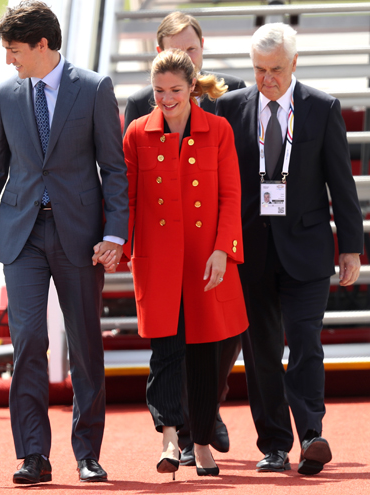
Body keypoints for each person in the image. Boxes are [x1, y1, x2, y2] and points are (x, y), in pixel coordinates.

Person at [0, 0, 128, 485]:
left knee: (84, 343)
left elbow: (113, 169)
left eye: (14, 50)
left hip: (81, 236)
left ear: (42, 44)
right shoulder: (6, 92)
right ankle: (33, 453)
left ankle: (87, 452)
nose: (8, 59)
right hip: (23, 235)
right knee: (28, 340)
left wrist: (115, 233)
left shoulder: (93, 89)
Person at [216, 23, 363, 475]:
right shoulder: (229, 108)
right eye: (259, 70)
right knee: (261, 352)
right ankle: (275, 445)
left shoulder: (321, 108)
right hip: (252, 249)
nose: (267, 80)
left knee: (304, 342)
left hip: (308, 247)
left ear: (294, 63)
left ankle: (312, 435)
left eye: (276, 70)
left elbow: (341, 182)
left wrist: (351, 247)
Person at [123, 12, 245, 465]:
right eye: (159, 92)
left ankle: (201, 438)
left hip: (205, 257)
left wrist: (223, 250)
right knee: (167, 350)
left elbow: (232, 195)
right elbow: (129, 197)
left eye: (175, 90)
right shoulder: (137, 132)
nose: (166, 99)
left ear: (192, 87)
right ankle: (170, 438)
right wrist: (127, 247)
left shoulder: (220, 130)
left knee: (206, 352)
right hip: (158, 260)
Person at [124, 11, 246, 134]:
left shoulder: (234, 90)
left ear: (202, 45)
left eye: (191, 49)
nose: (186, 59)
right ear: (160, 52)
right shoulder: (139, 104)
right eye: (176, 51)